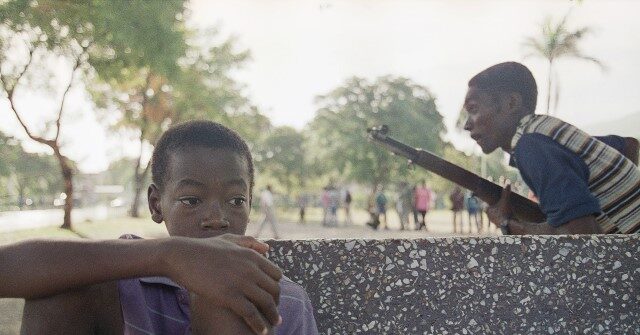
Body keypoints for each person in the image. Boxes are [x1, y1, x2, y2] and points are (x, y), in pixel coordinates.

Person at [21, 121, 318, 334]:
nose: (217, 218)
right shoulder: (126, 280)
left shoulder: (285, 301)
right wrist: (168, 256)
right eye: (191, 200)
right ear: (156, 205)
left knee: (226, 307)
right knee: (58, 290)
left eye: (236, 200)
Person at [463, 62, 640, 234]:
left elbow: (583, 240)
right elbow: (630, 145)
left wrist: (506, 222)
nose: (467, 124)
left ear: (511, 103)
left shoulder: (530, 146)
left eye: (473, 109)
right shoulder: (546, 131)